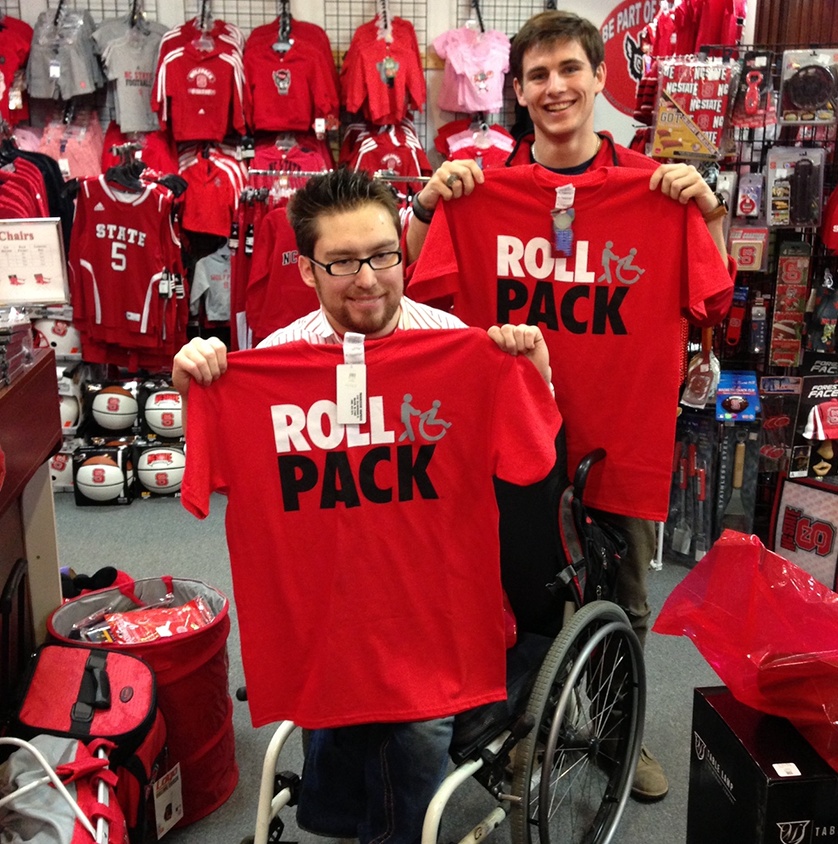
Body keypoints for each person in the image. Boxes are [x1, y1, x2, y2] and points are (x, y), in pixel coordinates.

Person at [403, 10, 737, 803]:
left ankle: (617, 736)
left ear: (597, 80)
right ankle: (518, 736)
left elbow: (714, 298)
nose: (555, 87)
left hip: (619, 440)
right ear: (516, 90)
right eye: (538, 75)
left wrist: (712, 215)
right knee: (507, 599)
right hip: (506, 441)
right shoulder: (479, 191)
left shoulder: (657, 192)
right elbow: (413, 297)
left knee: (623, 599)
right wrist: (424, 208)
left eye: (569, 71)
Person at [173, 167, 559, 844]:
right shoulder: (270, 363)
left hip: (431, 610)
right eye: (343, 262)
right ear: (305, 270)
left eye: (383, 255)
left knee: (411, 748)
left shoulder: (458, 346)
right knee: (336, 762)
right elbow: (223, 481)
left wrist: (531, 368)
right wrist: (203, 384)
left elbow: (531, 458)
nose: (370, 278)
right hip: (326, 608)